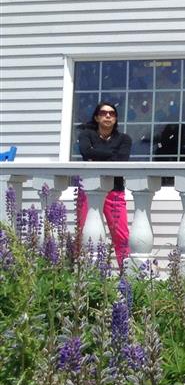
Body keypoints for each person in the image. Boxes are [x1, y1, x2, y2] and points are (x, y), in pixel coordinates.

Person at [77, 101, 132, 266]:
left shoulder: (124, 139)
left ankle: (126, 273)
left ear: (116, 119)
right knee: (83, 231)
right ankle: (79, 271)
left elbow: (121, 160)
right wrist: (111, 154)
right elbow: (85, 152)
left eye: (112, 114)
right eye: (103, 113)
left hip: (114, 191)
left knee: (121, 234)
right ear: (96, 117)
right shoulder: (87, 135)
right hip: (89, 189)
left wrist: (95, 154)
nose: (108, 116)